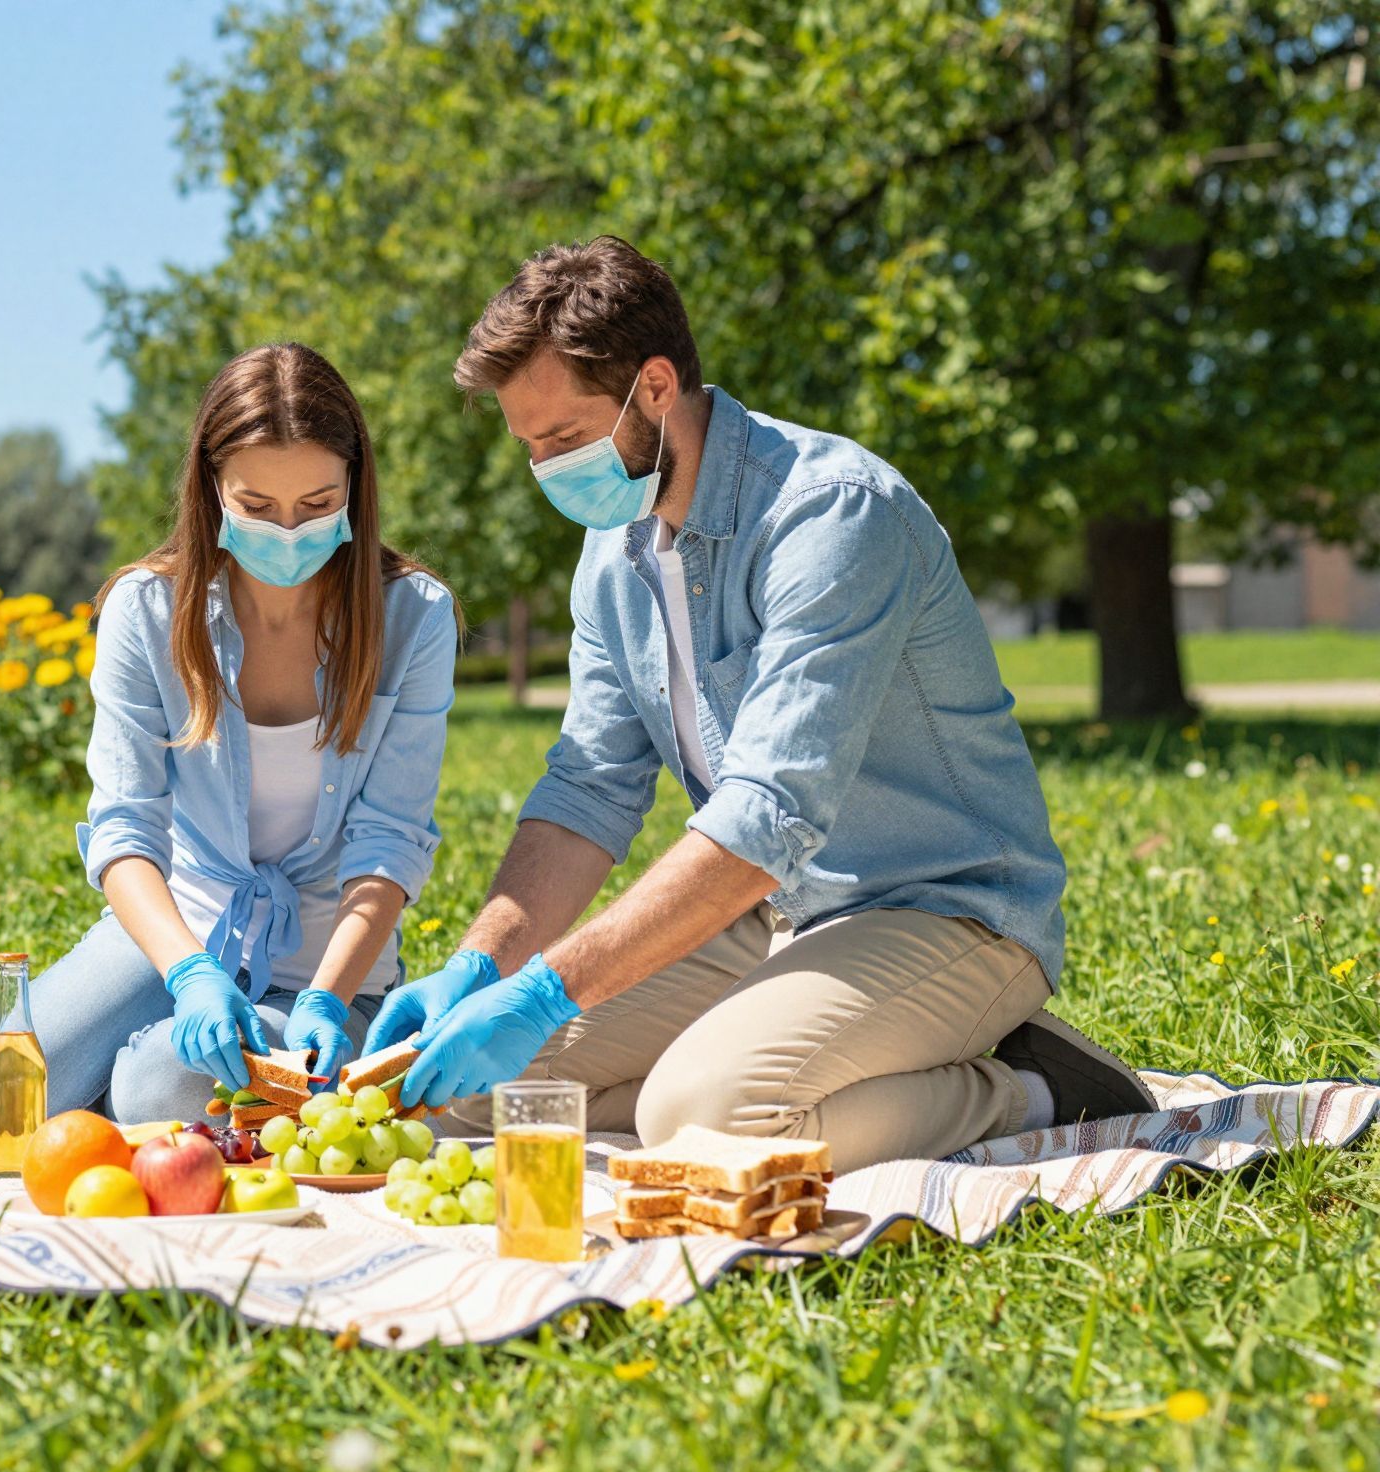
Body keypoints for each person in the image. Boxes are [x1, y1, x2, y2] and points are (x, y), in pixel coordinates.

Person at [366, 238, 1153, 1173]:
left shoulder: (833, 515)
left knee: (710, 1118)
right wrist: (479, 966)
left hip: (948, 911)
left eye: (565, 439)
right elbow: (587, 791)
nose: (545, 471)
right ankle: (745, 1072)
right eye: (529, 447)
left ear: (656, 387)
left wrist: (546, 993)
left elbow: (765, 816)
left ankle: (1038, 1088)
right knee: (470, 1101)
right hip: (776, 917)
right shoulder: (611, 554)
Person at [0, 343, 458, 1123]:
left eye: (315, 504)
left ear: (354, 488)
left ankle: (118, 1067)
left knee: (161, 1092)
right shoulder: (146, 611)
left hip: (327, 959)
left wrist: (328, 1000)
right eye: (256, 506)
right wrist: (191, 976)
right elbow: (126, 828)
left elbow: (390, 840)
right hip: (172, 935)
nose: (287, 532)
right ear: (212, 491)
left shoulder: (415, 618)